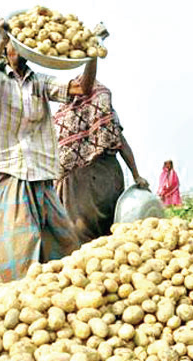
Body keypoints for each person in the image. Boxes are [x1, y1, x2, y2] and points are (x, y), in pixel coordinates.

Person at [0, 17, 96, 282]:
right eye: (14, 44)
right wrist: (1, 42)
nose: (20, 49)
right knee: (22, 237)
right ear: (7, 51)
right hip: (6, 169)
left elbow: (82, 88)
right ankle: (18, 294)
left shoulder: (39, 81)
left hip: (39, 171)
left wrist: (91, 54)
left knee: (61, 234)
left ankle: (58, 286)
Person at [53, 79, 149, 244]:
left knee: (88, 234)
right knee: (97, 233)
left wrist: (136, 175)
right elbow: (122, 144)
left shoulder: (62, 118)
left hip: (94, 180)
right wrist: (136, 175)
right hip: (91, 180)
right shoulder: (100, 114)